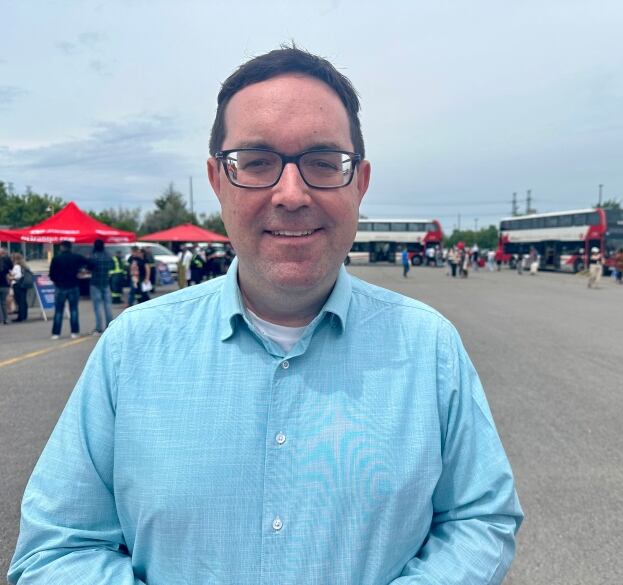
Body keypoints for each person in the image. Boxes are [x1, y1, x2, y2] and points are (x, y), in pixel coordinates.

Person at [9, 47, 522, 585]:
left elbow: (480, 517)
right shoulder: (131, 347)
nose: (292, 193)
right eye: (256, 163)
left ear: (361, 182)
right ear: (217, 180)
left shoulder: (429, 346)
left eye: (324, 163)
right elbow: (57, 550)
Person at [49, 240, 87, 338]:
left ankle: (56, 333)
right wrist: (80, 272)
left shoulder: (56, 259)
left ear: (61, 247)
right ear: (70, 247)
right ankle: (74, 332)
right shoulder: (76, 257)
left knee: (58, 311)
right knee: (73, 310)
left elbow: (51, 274)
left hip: (60, 287)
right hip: (73, 285)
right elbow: (90, 263)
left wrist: (57, 281)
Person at [87, 239, 114, 334]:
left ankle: (99, 327)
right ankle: (110, 325)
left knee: (97, 306)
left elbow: (88, 267)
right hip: (106, 282)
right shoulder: (108, 255)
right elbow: (112, 266)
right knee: (108, 305)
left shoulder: (93, 256)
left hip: (95, 283)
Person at [9, 252, 33, 323]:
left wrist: (11, 277)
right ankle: (24, 315)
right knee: (23, 301)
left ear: (15, 259)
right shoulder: (24, 266)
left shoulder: (16, 266)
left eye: (12, 258)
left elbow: (18, 276)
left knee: (20, 301)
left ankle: (20, 317)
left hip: (18, 285)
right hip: (23, 285)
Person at [0, 247, 12, 324]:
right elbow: (11, 269)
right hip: (5, 286)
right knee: (3, 303)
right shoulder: (5, 267)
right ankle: (6, 319)